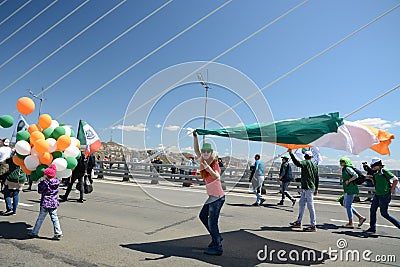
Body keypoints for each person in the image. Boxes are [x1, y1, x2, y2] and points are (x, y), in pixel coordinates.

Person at [194, 131, 225, 256]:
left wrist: (209, 169)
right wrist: (195, 137)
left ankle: (218, 247)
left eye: (208, 151)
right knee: (202, 216)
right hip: (212, 197)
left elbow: (217, 176)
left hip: (217, 198)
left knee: (212, 223)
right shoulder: (202, 159)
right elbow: (196, 150)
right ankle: (216, 237)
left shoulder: (214, 163)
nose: (205, 153)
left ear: (211, 153)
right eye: (204, 151)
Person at [364, 158, 400, 234]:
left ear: (379, 165)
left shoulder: (384, 171)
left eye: (374, 166)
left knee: (384, 214)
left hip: (384, 195)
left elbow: (395, 179)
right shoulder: (376, 173)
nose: (373, 167)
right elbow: (378, 183)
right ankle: (372, 228)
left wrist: (392, 190)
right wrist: (373, 180)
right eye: (372, 166)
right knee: (372, 210)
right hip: (377, 194)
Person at [28, 164, 63, 240]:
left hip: (45, 202)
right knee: (54, 218)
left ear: (46, 175)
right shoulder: (57, 182)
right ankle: (58, 232)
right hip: (54, 202)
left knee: (40, 218)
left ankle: (35, 232)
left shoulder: (44, 183)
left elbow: (40, 191)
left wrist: (40, 183)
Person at [288, 149, 319, 232]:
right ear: (311, 157)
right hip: (309, 188)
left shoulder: (305, 163)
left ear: (305, 156)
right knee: (301, 203)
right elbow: (317, 178)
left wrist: (291, 153)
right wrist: (316, 189)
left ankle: (313, 225)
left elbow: (297, 163)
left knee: (310, 206)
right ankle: (299, 221)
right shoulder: (315, 165)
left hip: (307, 188)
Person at [339, 157, 366, 228]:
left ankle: (351, 223)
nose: (341, 163)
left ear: (346, 162)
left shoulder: (347, 168)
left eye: (342, 162)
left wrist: (349, 181)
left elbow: (355, 175)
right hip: (348, 189)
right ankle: (360, 218)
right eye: (340, 161)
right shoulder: (344, 168)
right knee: (346, 204)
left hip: (351, 189)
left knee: (348, 205)